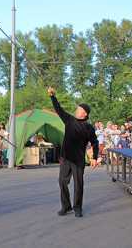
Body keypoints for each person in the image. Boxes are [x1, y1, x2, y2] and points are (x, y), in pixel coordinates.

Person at [48, 87, 100, 218]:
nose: (76, 110)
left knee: (79, 184)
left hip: (78, 160)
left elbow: (95, 143)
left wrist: (94, 157)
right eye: (77, 109)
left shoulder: (89, 128)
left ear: (85, 114)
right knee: (62, 182)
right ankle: (66, 206)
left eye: (79, 109)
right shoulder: (69, 120)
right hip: (66, 158)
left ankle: (78, 207)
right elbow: (58, 109)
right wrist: (52, 96)